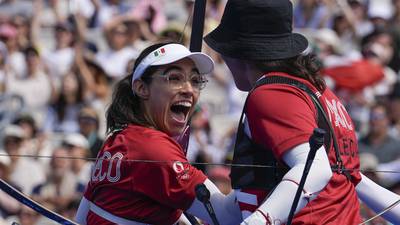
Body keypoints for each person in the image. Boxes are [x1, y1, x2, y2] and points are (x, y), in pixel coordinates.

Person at [204, 0, 400, 224]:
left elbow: (316, 169)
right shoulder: (323, 94)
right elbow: (351, 179)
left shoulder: (270, 93)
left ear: (238, 51)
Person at [75, 42, 241, 225]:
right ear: (141, 88)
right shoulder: (153, 148)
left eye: (195, 80)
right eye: (175, 78)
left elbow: (83, 217)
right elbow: (228, 216)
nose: (188, 90)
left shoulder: (117, 138)